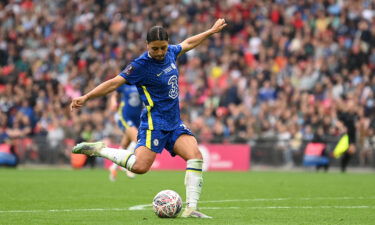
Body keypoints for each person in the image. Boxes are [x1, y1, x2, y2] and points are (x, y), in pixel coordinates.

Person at [70, 18, 227, 218]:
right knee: (140, 167)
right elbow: (114, 83)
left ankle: (191, 209)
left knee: (195, 157)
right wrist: (87, 96)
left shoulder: (171, 52)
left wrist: (210, 31)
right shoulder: (140, 66)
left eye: (162, 47)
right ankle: (100, 150)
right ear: (147, 46)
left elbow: (188, 43)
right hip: (155, 124)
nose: (160, 52)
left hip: (174, 122)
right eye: (155, 49)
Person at [108, 84, 142, 181]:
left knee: (125, 144)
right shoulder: (124, 83)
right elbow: (114, 94)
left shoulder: (142, 81)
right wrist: (113, 102)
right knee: (137, 139)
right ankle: (129, 166)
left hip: (137, 118)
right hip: (125, 116)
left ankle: (113, 167)